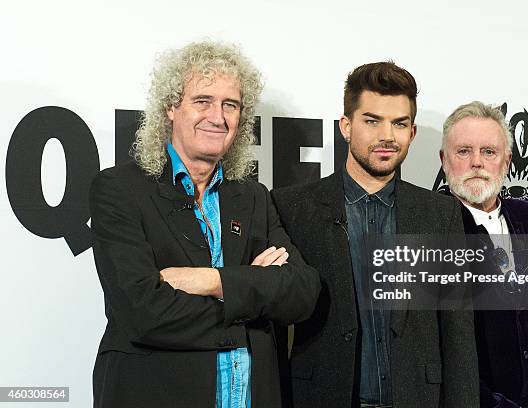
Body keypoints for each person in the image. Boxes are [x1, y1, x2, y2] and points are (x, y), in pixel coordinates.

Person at [90, 40, 320, 408]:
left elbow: (301, 291)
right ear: (170, 107)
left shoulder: (253, 196)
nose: (218, 116)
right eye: (203, 101)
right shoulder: (119, 190)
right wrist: (253, 295)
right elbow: (143, 312)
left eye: (230, 105)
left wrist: (210, 281)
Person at [271, 62, 479, 408]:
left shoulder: (439, 214)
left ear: (412, 133)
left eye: (399, 123)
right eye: (372, 121)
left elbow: (458, 336)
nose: (387, 136)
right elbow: (275, 325)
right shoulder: (292, 207)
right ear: (346, 127)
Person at [439, 101, 528, 408]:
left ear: (506, 162)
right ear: (444, 160)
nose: (476, 162)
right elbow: (432, 350)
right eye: (464, 151)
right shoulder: (429, 228)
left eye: (488, 152)